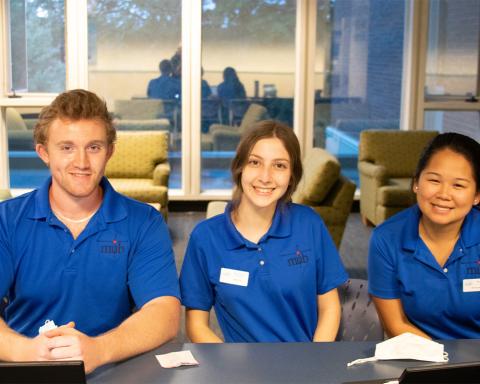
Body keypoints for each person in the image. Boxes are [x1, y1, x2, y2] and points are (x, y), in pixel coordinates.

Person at [0, 90, 180, 372]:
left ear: (110, 151)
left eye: (94, 147)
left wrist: (98, 350)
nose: (82, 162)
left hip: (112, 368)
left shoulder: (144, 222)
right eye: (67, 147)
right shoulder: (6, 220)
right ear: (44, 152)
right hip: (24, 368)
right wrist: (30, 351)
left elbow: (165, 312)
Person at [180, 120, 348, 343]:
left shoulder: (309, 224)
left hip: (306, 365)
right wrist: (229, 370)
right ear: (239, 167)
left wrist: (314, 361)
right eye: (255, 162)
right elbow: (196, 324)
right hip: (240, 371)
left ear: (291, 176)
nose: (265, 177)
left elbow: (329, 306)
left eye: (279, 165)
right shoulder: (206, 238)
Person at [368, 132, 480, 340]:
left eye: (458, 185)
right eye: (434, 180)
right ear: (416, 183)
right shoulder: (386, 239)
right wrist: (443, 364)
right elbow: (395, 324)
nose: (444, 194)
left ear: (476, 196)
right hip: (421, 356)